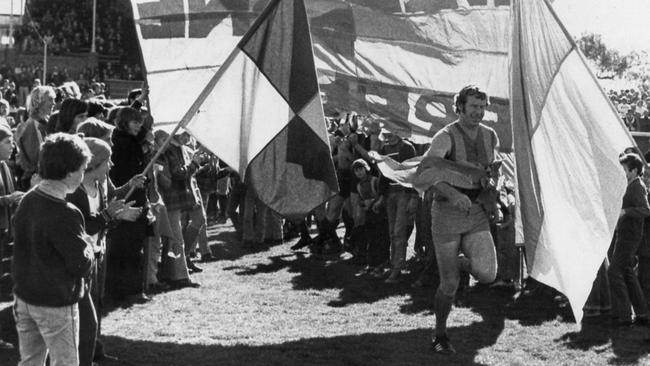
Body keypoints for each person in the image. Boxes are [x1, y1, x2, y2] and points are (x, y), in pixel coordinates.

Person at [421, 85, 499, 354]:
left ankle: (459, 262)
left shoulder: (490, 135)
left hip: (476, 211)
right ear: (460, 108)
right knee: (449, 284)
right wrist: (452, 194)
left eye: (482, 107)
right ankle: (440, 333)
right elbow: (426, 171)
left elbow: (489, 171)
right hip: (447, 212)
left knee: (488, 274)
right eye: (473, 107)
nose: (479, 112)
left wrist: (492, 193)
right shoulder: (445, 137)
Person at [12, 133, 94, 365]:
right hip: (55, 302)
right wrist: (89, 246)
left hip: (25, 297)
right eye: (82, 169)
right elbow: (80, 264)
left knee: (30, 361)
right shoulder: (66, 212)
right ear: (69, 172)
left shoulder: (28, 199)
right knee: (65, 362)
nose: (82, 175)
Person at [608, 153, 650, 326]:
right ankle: (642, 313)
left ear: (633, 171)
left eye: (625, 169)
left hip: (631, 236)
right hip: (625, 234)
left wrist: (626, 212)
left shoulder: (637, 186)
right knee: (627, 272)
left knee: (613, 272)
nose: (623, 172)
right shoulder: (631, 184)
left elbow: (646, 210)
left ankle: (625, 315)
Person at [0, 124, 23, 350]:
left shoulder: (5, 166)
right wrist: (7, 199)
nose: (12, 146)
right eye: (7, 142)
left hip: (3, 229)